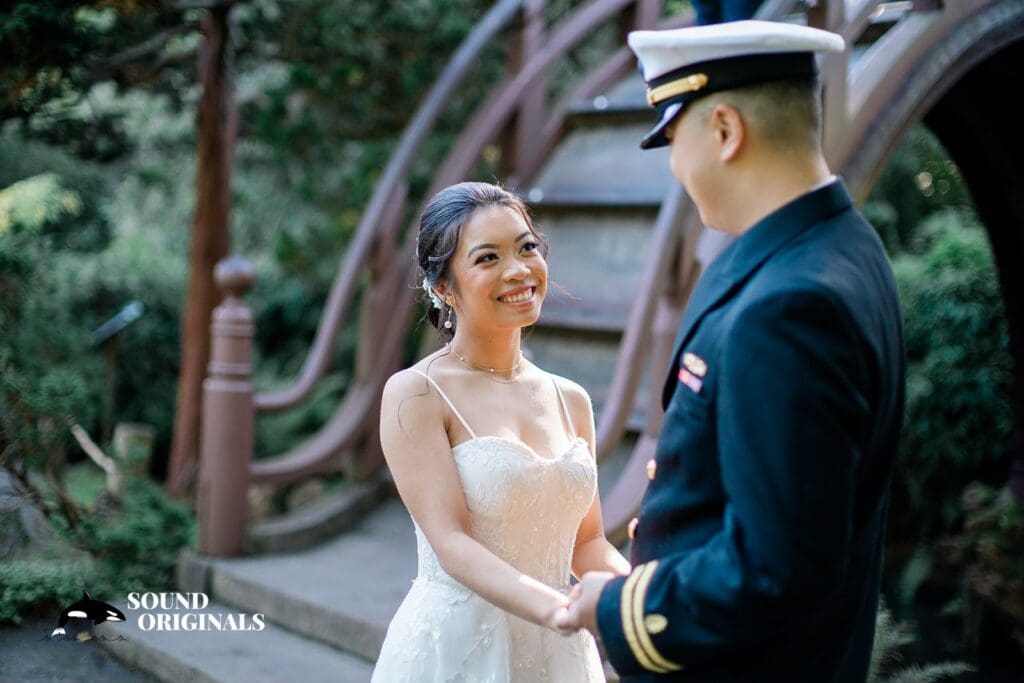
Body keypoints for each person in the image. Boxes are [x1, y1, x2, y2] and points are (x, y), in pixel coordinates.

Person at [555, 20, 906, 683]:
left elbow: (775, 566)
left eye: (673, 139)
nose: (672, 165)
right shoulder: (839, 244)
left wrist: (619, 606)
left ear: (724, 130)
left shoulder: (789, 307)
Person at [370, 181, 630, 682]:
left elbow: (587, 542)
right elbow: (452, 543)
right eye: (488, 258)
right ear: (444, 287)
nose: (518, 270)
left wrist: (646, 600)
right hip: (460, 652)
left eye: (527, 247)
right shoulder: (417, 394)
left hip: (562, 655)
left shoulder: (569, 399)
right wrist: (559, 611)